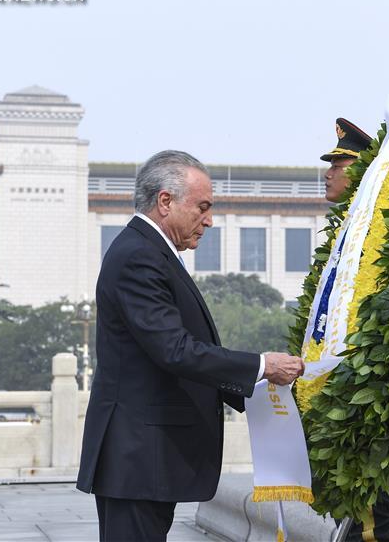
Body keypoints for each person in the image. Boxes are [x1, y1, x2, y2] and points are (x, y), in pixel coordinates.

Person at [76, 150, 305, 542]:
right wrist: (262, 366)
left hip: (146, 458)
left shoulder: (152, 252)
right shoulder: (138, 256)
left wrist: (259, 391)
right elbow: (175, 350)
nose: (209, 220)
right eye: (202, 207)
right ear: (165, 201)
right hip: (136, 457)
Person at [316, 119, 389, 542]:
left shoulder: (373, 232)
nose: (328, 172)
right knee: (352, 512)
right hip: (338, 388)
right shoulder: (345, 233)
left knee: (368, 519)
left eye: (339, 163)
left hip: (363, 392)